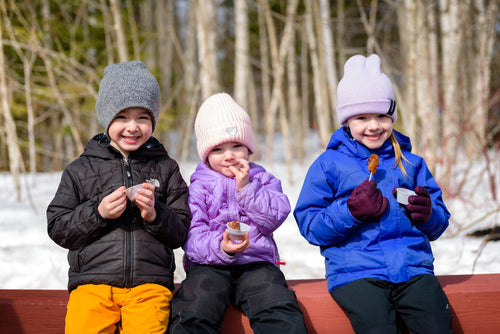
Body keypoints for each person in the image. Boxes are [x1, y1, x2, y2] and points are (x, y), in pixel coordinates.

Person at [294, 54, 452, 334]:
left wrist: (428, 214)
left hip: (412, 269)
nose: (373, 125)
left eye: (382, 115)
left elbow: (439, 223)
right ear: (346, 121)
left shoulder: (412, 163)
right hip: (356, 272)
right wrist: (350, 211)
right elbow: (311, 226)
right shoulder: (328, 164)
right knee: (378, 326)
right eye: (362, 117)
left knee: (436, 325)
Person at [47, 60, 191, 334]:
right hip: (91, 285)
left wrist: (155, 214)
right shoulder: (80, 169)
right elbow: (58, 228)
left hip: (149, 286)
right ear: (106, 118)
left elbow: (182, 231)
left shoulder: (166, 168)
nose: (132, 127)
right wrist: (98, 213)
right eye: (122, 117)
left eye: (143, 117)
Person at [168, 93, 307, 334]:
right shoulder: (198, 187)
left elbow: (274, 217)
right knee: (195, 308)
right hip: (208, 264)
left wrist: (247, 188)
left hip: (256, 262)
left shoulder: (262, 179)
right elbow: (192, 238)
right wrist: (222, 248)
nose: (229, 155)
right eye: (218, 149)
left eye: (236, 146)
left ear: (249, 148)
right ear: (206, 154)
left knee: (277, 306)